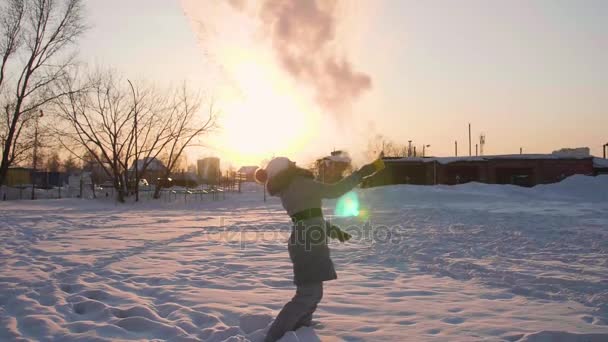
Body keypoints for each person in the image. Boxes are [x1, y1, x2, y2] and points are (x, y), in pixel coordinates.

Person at [255, 157, 382, 342]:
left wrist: (332, 230)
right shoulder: (299, 183)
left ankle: (300, 331)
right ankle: (275, 337)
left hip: (307, 239)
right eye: (292, 164)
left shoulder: (290, 186)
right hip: (308, 242)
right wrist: (363, 172)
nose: (296, 165)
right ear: (286, 169)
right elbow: (336, 190)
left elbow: (308, 215)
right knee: (308, 294)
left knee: (313, 293)